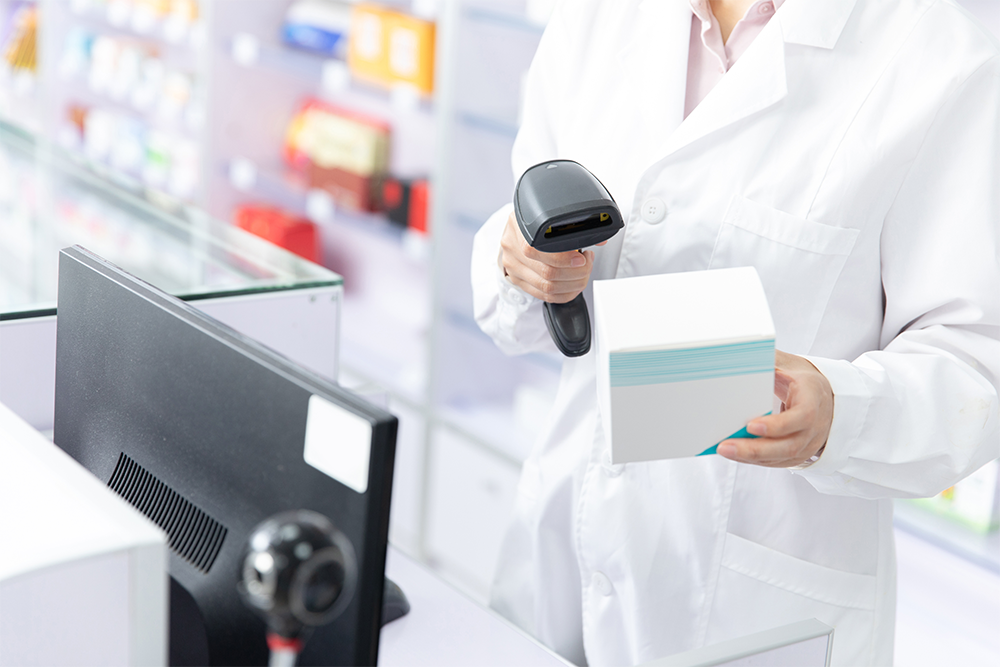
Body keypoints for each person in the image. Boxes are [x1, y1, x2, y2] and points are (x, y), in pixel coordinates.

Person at [470, 0, 1000, 665]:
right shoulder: (600, 15)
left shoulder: (940, 58)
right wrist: (519, 262)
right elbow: (522, 222)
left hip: (753, 610)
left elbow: (974, 360)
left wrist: (840, 413)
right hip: (562, 554)